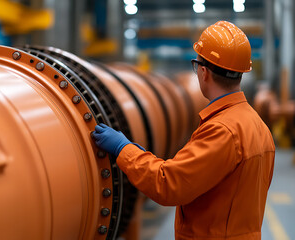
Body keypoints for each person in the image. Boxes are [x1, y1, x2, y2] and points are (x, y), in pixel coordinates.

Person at [92, 21, 275, 239]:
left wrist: (124, 149)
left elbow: (168, 184)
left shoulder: (222, 130)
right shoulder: (257, 125)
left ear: (204, 72)